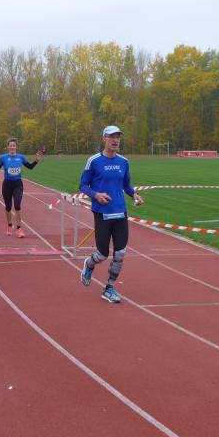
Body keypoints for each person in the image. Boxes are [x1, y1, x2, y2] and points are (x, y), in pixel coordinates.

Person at [79, 125, 144, 304]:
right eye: (111, 136)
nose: (115, 140)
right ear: (104, 139)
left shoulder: (124, 162)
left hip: (120, 212)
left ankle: (109, 288)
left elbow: (126, 185)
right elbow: (83, 185)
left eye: (118, 137)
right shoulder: (94, 161)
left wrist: (135, 195)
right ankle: (89, 264)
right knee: (102, 254)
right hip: (102, 213)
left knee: (120, 253)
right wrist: (96, 195)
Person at [0, 138, 43, 238]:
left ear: (16, 147)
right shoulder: (3, 158)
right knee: (8, 207)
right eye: (10, 145)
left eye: (14, 145)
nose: (12, 147)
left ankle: (19, 228)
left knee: (17, 206)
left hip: (18, 184)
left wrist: (36, 161)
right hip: (7, 185)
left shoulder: (21, 157)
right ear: (8, 147)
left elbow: (30, 167)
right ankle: (9, 226)